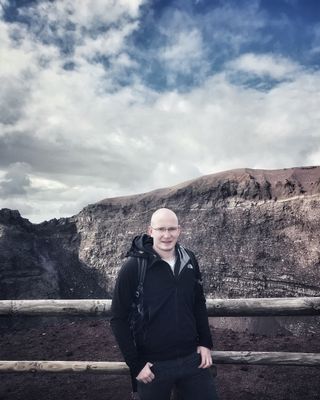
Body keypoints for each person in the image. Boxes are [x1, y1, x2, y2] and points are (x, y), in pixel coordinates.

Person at [110, 208, 219, 400]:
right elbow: (118, 318)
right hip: (152, 366)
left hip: (192, 359)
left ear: (179, 230)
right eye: (161, 229)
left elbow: (198, 303)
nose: (167, 235)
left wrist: (205, 342)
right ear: (150, 231)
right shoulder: (133, 267)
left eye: (171, 229)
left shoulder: (189, 259)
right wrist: (136, 365)